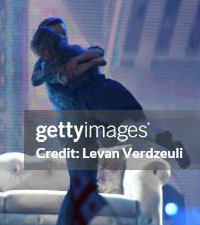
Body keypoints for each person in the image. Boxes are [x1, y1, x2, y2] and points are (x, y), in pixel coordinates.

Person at [31, 24, 190, 168]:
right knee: (132, 125)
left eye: (41, 52)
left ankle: (162, 139)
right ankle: (163, 139)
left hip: (95, 99)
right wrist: (89, 61)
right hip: (106, 91)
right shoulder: (61, 59)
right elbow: (96, 58)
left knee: (126, 127)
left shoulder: (59, 62)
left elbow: (92, 59)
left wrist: (82, 61)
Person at [31, 17, 107, 225]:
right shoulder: (47, 64)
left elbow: (99, 54)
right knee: (80, 182)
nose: (61, 38)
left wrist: (81, 57)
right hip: (72, 128)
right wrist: (80, 59)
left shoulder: (70, 56)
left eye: (63, 34)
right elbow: (42, 76)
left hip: (88, 127)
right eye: (56, 35)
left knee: (89, 186)